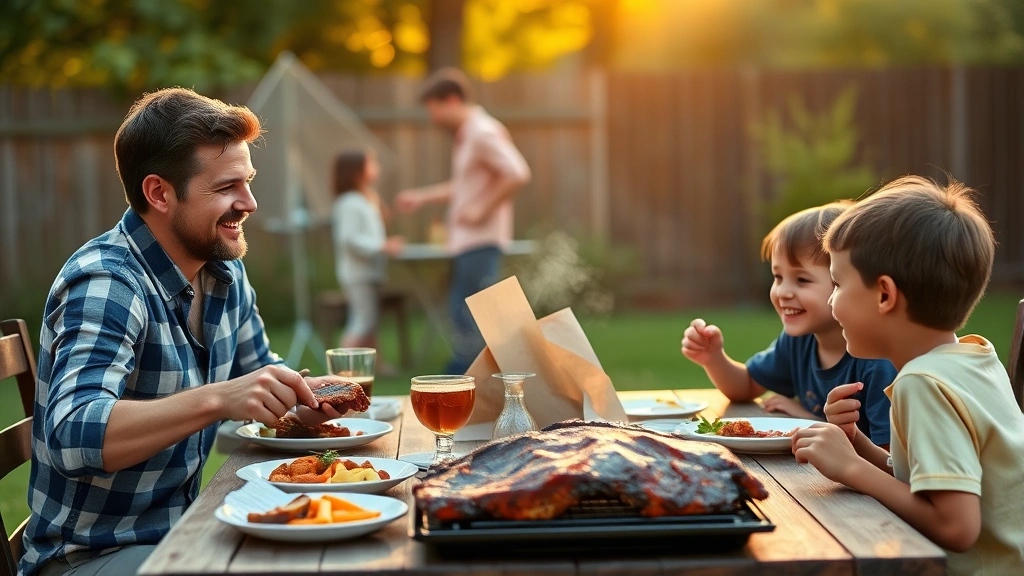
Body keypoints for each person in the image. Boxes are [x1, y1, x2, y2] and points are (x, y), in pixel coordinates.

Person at [22, 87, 347, 576]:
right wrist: (219, 399)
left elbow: (257, 374)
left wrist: (298, 394)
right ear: (160, 193)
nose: (251, 203)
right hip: (88, 559)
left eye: (249, 182)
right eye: (226, 188)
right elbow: (72, 434)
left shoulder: (222, 271)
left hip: (184, 532)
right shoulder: (108, 281)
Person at [793, 176, 1024, 574]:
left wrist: (852, 470)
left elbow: (957, 526)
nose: (831, 301)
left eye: (838, 283)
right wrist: (859, 446)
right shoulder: (975, 358)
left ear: (885, 294)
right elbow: (931, 484)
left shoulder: (924, 384)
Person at [681, 201, 895, 446]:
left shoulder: (879, 362)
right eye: (778, 277)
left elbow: (892, 460)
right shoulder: (799, 341)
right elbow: (746, 385)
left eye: (802, 280)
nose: (783, 292)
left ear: (843, 281)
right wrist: (713, 357)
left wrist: (811, 422)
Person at [395, 68, 531, 374]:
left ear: (453, 100)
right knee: (465, 311)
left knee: (470, 313)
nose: (433, 118)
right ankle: (474, 377)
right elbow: (465, 187)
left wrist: (482, 209)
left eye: (435, 109)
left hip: (481, 241)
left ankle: (467, 377)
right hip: (470, 242)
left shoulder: (482, 132)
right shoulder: (469, 135)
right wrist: (422, 197)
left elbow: (518, 172)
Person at [330, 148, 404, 350]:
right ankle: (339, 367)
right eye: (371, 163)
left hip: (368, 272)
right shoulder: (350, 203)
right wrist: (382, 246)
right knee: (362, 321)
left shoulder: (364, 199)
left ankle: (375, 365)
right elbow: (349, 239)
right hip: (358, 274)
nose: (376, 168)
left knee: (371, 322)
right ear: (356, 171)